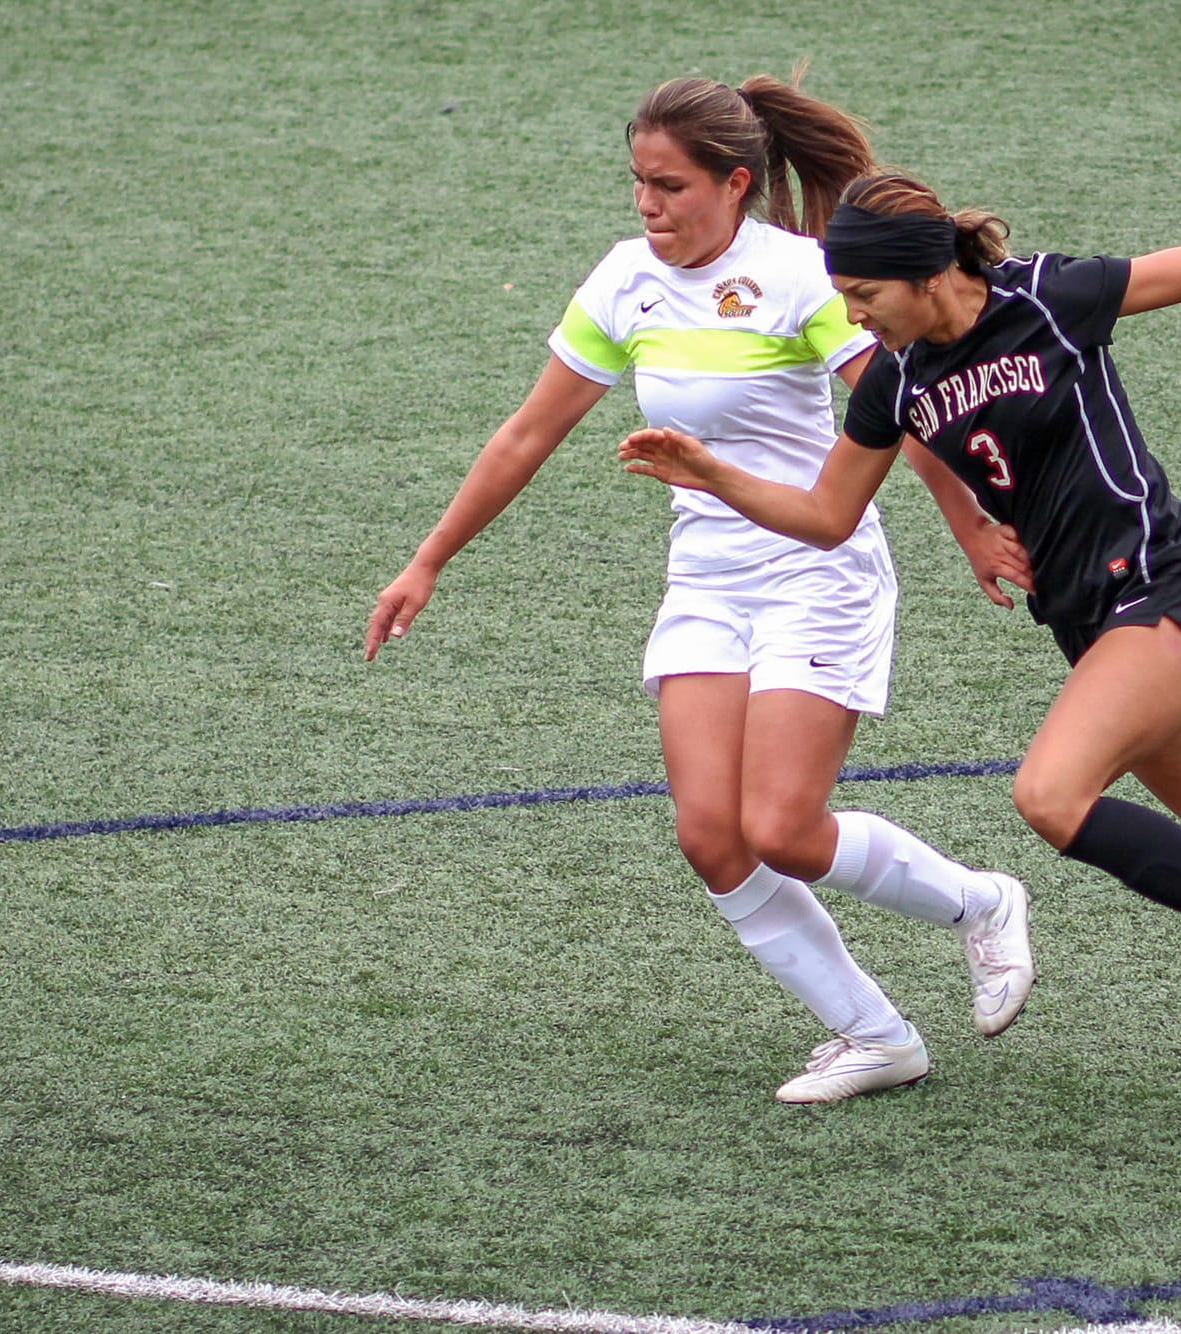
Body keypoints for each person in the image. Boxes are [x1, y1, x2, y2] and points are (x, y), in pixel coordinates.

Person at [619, 171, 1181, 1099]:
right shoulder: (894, 379)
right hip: (1091, 622)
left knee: (1051, 796)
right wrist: (711, 472)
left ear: (927, 273)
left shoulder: (1048, 297)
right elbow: (825, 513)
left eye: (865, 297)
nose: (854, 321)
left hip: (1165, 582)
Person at [366, 83, 1038, 1104]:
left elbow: (898, 405)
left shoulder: (800, 275)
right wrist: (428, 558)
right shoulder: (624, 281)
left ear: (734, 183)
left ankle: (978, 903)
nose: (646, 203)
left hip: (817, 566)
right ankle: (872, 1033)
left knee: (782, 826)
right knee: (709, 835)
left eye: (668, 184)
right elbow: (526, 432)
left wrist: (968, 526)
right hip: (708, 578)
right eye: (637, 181)